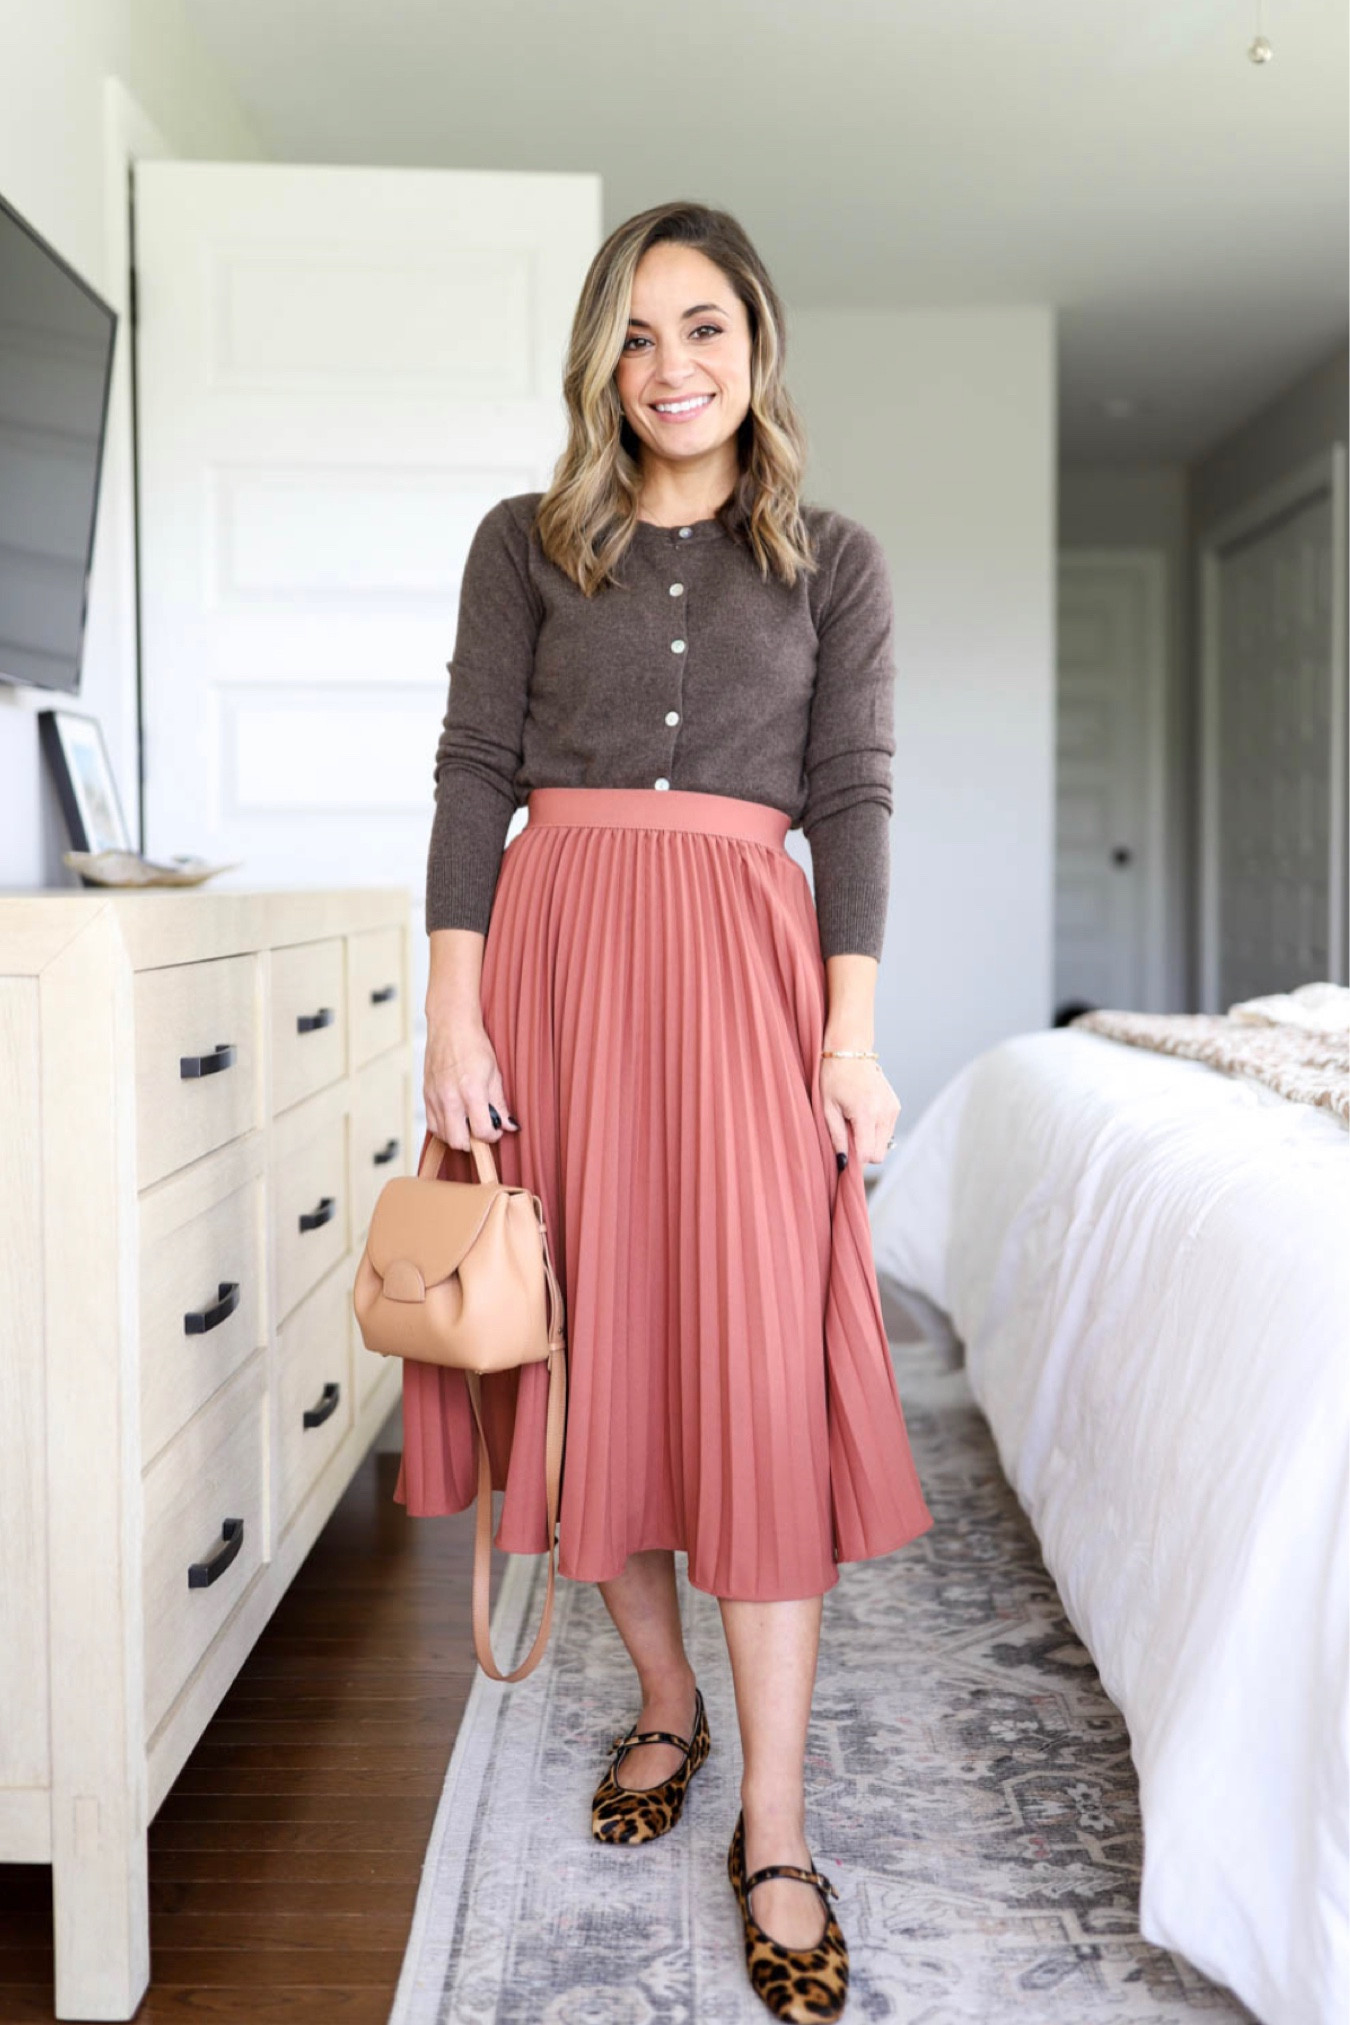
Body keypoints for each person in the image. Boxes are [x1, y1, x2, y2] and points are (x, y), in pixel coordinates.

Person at [393, 199, 934, 2024]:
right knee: (579, 1359)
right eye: (635, 335)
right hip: (550, 981)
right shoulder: (525, 544)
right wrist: (454, 1020)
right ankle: (667, 1697)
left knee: (755, 1388)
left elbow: (850, 801)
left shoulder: (830, 561)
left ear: (756, 343)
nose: (672, 365)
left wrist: (845, 1043)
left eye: (702, 326)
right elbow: (475, 771)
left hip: (742, 990)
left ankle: (771, 1822)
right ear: (596, 365)